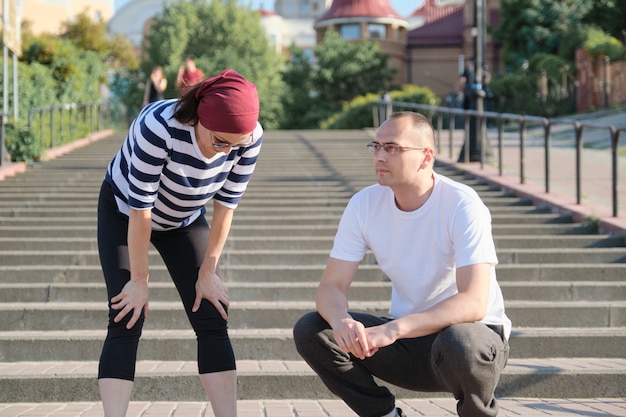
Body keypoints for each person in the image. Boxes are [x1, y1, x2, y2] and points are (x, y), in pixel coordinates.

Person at [293, 111, 511, 417]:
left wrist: (394, 330)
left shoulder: (463, 204)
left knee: (462, 339)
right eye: (376, 146)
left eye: (393, 148)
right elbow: (332, 286)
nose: (380, 156)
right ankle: (385, 415)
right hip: (410, 344)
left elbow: (474, 302)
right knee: (312, 328)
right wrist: (342, 322)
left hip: (470, 342)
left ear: (426, 157)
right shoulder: (364, 205)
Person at [97, 68, 262, 417]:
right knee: (127, 313)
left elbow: (226, 207)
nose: (225, 153)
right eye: (219, 142)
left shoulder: (249, 138)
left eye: (236, 145)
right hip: (125, 212)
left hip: (184, 217)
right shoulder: (158, 127)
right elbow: (141, 212)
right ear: (199, 118)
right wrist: (139, 281)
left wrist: (209, 271)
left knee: (212, 310)